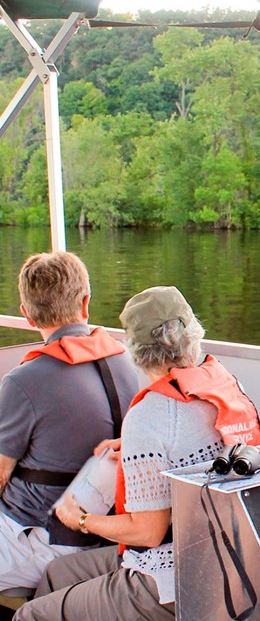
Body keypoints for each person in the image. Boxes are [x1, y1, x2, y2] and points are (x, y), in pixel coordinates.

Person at [14, 285, 260, 621]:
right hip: (229, 558)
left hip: (174, 579)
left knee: (30, 614)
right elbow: (194, 450)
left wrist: (82, 521)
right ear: (193, 331)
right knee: (58, 573)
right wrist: (134, 448)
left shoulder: (150, 415)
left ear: (135, 349)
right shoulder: (226, 384)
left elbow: (147, 533)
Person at [0, 251, 138, 590]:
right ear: (85, 302)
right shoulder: (127, 362)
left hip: (42, 542)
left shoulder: (23, 381)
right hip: (108, 532)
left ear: (28, 315)